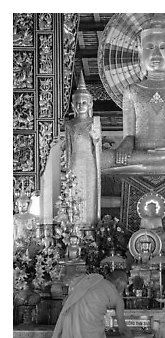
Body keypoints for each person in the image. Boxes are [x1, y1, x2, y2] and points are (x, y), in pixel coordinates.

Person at [101, 23, 165, 175]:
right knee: (102, 158)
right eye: (149, 48)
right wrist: (125, 145)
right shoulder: (131, 91)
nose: (156, 54)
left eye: (163, 48)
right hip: (140, 155)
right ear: (140, 52)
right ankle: (155, 164)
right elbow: (129, 135)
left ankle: (152, 164)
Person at [65, 71, 101, 227]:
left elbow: (98, 149)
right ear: (73, 105)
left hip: (90, 163)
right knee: (75, 193)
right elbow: (68, 148)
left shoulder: (94, 122)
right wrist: (66, 168)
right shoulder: (69, 124)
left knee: (89, 193)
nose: (81, 106)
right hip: (74, 162)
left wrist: (96, 138)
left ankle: (90, 225)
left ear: (90, 104)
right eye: (78, 103)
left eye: (84, 102)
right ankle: (75, 227)